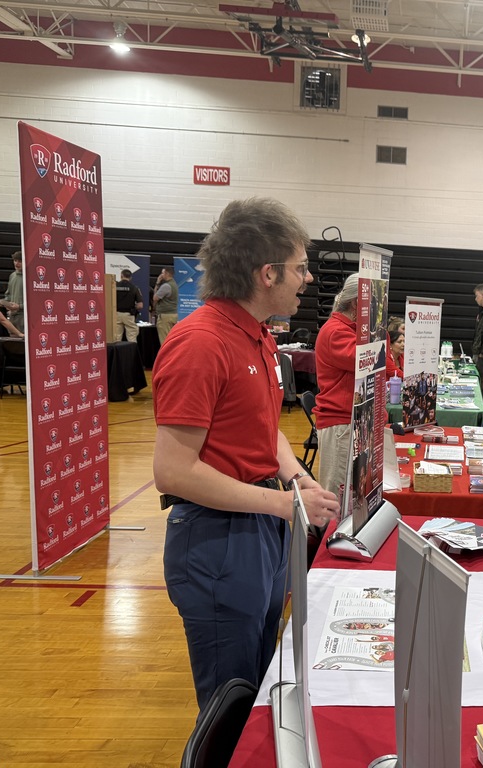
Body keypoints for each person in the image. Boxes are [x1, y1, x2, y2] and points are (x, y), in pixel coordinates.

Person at [152, 197, 340, 712]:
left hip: (260, 528)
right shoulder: (200, 343)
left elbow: (264, 431)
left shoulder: (257, 336)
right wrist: (283, 505)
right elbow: (172, 471)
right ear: (266, 273)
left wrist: (296, 478)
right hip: (217, 539)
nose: (306, 279)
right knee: (230, 705)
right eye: (300, 268)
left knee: (259, 690)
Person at [313, 274, 361, 502]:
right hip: (341, 423)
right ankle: (325, 539)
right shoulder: (337, 332)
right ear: (356, 304)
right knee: (337, 497)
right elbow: (374, 362)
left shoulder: (347, 331)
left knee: (347, 496)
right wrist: (380, 331)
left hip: (348, 421)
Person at [114, 268, 143, 342]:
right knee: (132, 337)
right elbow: (140, 305)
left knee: (117, 337)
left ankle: (117, 353)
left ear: (121, 276)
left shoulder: (114, 286)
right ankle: (131, 353)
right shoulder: (134, 288)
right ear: (130, 277)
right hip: (129, 315)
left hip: (116, 314)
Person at [0, 252, 24, 334]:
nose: (17, 263)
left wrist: (20, 306)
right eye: (15, 260)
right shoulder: (12, 276)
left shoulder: (29, 276)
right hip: (12, 316)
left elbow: (36, 301)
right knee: (13, 343)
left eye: (20, 261)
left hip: (24, 316)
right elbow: (8, 295)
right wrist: (3, 302)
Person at [153, 267, 179, 343]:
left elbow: (155, 298)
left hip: (165, 317)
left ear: (167, 274)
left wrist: (157, 282)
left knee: (164, 341)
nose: (161, 275)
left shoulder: (166, 286)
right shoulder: (174, 284)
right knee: (171, 340)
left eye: (162, 273)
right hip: (172, 315)